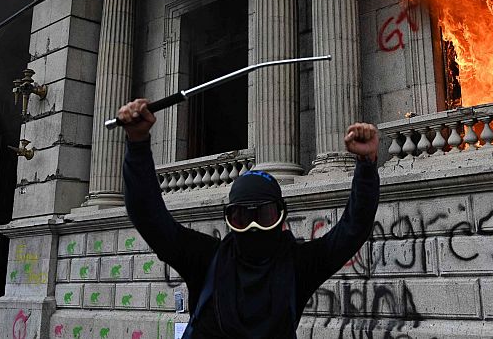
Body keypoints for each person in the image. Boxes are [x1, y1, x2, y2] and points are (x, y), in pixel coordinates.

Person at [118, 98, 380, 338]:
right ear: (229, 219)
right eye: (242, 217)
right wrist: (137, 143)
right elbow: (149, 217)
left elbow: (352, 230)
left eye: (264, 215)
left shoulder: (299, 265)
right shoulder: (206, 258)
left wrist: (367, 165)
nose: (254, 226)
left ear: (281, 216)